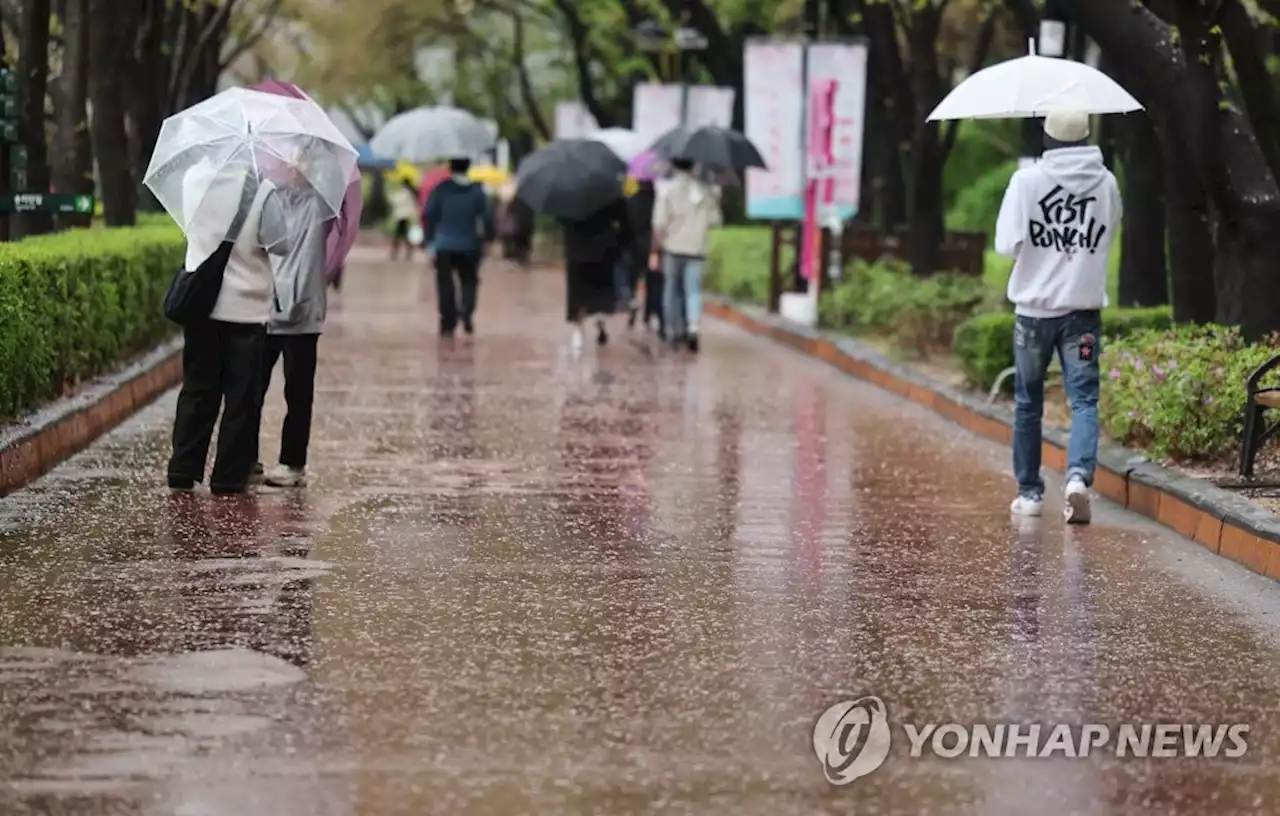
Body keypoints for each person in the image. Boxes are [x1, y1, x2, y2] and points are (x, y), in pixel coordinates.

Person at [994, 110, 1122, 524]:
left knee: (1029, 403)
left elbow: (1007, 244)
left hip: (1033, 313)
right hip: (1082, 312)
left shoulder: (1026, 181)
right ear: (1086, 136)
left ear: (1047, 137)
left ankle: (1030, 494)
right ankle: (1078, 479)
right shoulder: (1107, 184)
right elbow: (1109, 232)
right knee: (1084, 400)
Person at [167, 159, 277, 494]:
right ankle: (228, 477)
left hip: (202, 305)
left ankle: (183, 469)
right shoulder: (263, 189)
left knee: (198, 390)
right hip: (245, 310)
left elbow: (192, 230)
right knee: (241, 398)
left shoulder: (194, 177)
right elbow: (280, 242)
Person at [250, 168, 332, 488]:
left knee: (298, 393)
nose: (292, 167)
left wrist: (311, 152)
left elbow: (331, 184)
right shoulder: (266, 199)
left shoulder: (319, 203)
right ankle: (247, 458)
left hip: (304, 312)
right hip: (265, 307)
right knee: (251, 389)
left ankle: (293, 463)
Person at [652, 157, 721, 352]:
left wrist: (659, 246)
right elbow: (715, 220)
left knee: (671, 290)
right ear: (694, 165)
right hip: (697, 249)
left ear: (674, 165)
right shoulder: (704, 191)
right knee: (694, 290)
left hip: (672, 248)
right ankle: (693, 328)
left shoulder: (667, 191)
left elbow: (659, 223)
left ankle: (673, 330)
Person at [423, 157, 493, 336]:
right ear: (469, 167)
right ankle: (467, 312)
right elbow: (487, 218)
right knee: (469, 282)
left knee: (445, 284)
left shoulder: (442, 189)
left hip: (444, 245)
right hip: (469, 245)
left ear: (450, 167)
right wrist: (488, 240)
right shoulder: (477, 190)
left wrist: (430, 241)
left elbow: (429, 214)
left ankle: (448, 321)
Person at [560, 196, 632, 352]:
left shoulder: (568, 195)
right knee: (601, 288)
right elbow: (623, 219)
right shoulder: (608, 192)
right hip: (603, 248)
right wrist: (621, 242)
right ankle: (600, 321)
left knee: (577, 291)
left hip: (576, 248)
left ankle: (578, 330)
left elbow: (561, 219)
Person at [625, 178, 657, 331]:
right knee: (652, 281)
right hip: (652, 247)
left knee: (633, 279)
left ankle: (632, 307)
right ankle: (647, 315)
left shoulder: (631, 202)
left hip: (633, 246)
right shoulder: (657, 202)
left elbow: (625, 224)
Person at [387, 178, 419, 261]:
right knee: (404, 236)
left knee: (399, 236)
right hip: (406, 217)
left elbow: (393, 201)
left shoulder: (402, 193)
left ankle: (396, 253)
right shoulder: (410, 193)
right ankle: (407, 253)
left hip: (400, 217)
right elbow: (412, 206)